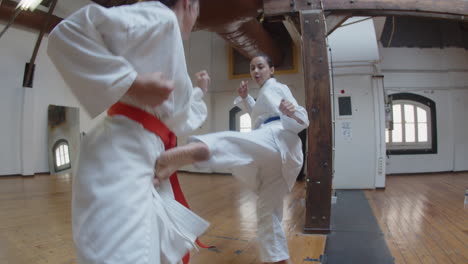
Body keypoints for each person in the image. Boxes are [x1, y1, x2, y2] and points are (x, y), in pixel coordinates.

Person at [47, 0, 211, 263]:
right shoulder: (161, 18)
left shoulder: (165, 40)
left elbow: (181, 113)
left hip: (143, 154)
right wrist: (131, 83)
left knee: (154, 249)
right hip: (122, 153)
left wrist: (200, 89)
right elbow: (65, 35)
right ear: (188, 5)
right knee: (125, 254)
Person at [155, 54, 310, 264]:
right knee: (267, 211)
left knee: (239, 143)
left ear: (271, 70)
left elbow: (301, 118)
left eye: (261, 67)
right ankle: (278, 259)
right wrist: (246, 99)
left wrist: (292, 112)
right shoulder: (266, 93)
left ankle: (199, 149)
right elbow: (260, 115)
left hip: (278, 137)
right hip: (282, 160)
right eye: (252, 68)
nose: (255, 71)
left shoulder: (277, 87)